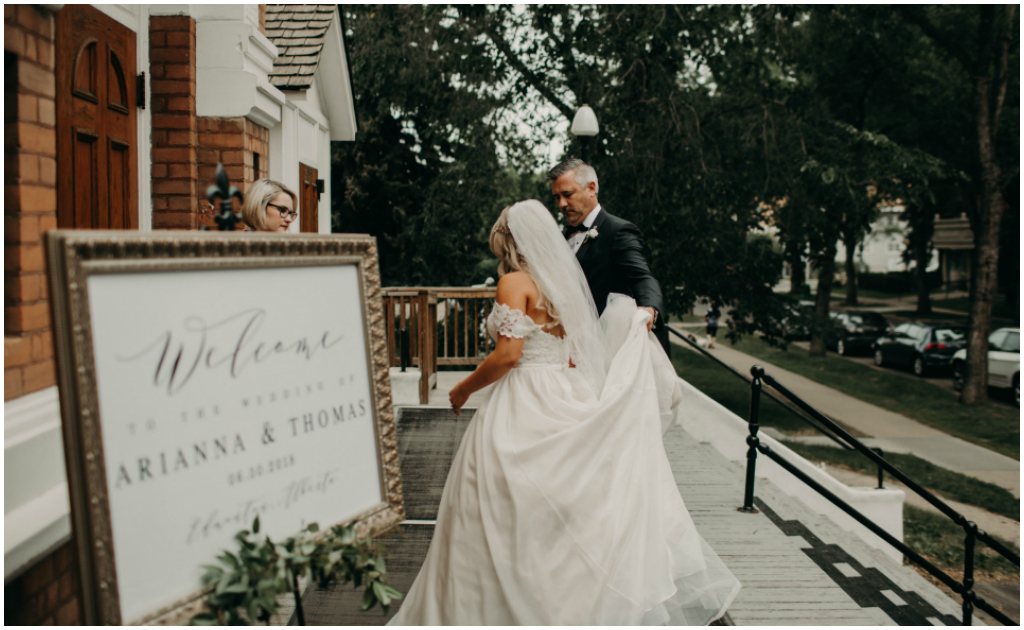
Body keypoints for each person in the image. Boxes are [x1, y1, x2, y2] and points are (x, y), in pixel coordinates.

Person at [388, 200, 740, 626]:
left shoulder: (515, 282)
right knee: (556, 505)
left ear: (506, 240)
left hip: (523, 400)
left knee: (492, 504)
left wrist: (462, 389)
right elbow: (573, 353)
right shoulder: (561, 284)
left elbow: (507, 356)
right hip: (564, 390)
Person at [548, 158, 670, 356]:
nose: (562, 204)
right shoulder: (562, 237)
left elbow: (642, 277)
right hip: (566, 347)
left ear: (591, 188)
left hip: (605, 348)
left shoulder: (618, 231)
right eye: (556, 197)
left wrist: (650, 309)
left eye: (567, 194)